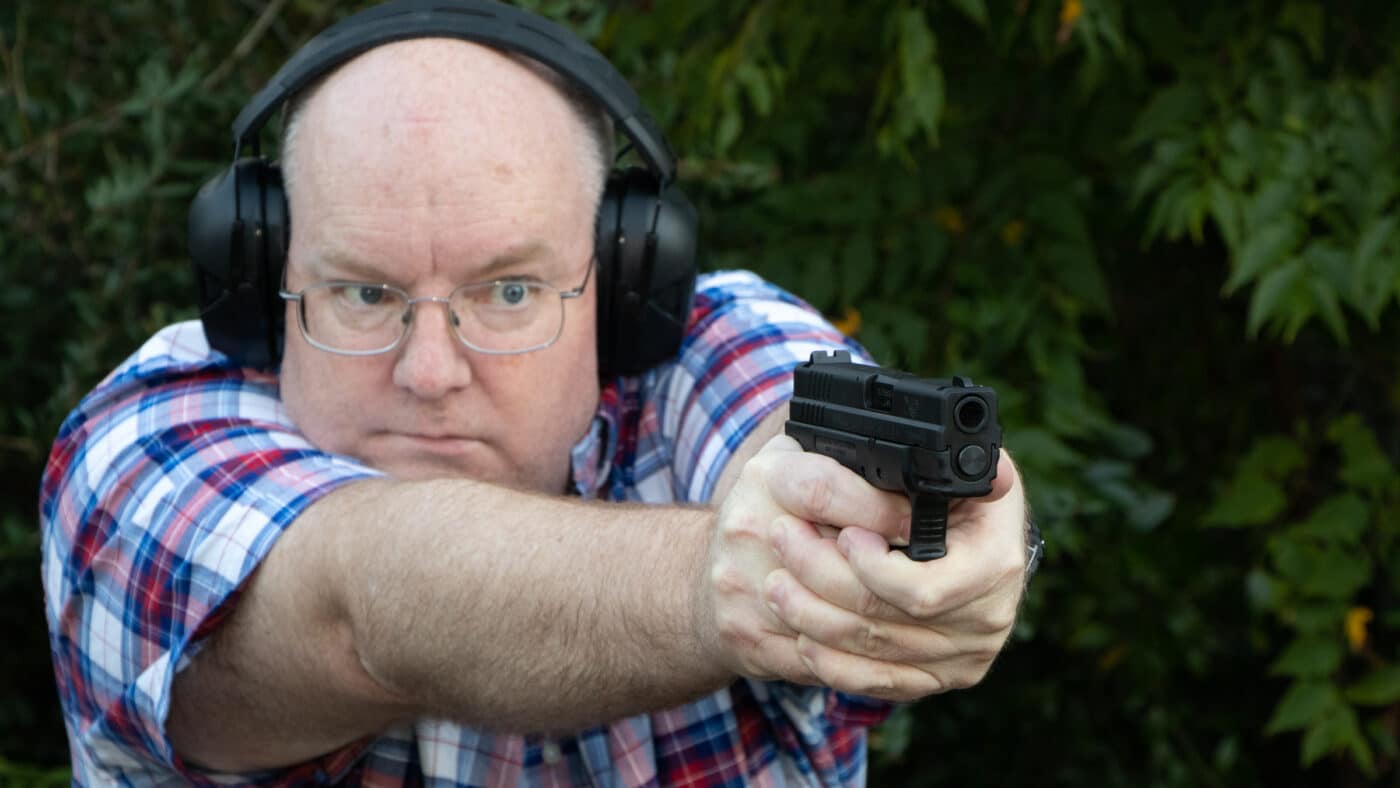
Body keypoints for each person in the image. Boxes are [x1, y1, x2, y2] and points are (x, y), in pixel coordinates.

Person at [40, 1, 1035, 785]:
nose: (429, 370)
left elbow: (790, 424)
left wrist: (920, 525)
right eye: (361, 292)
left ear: (622, 285)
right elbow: (358, 605)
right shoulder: (145, 442)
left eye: (510, 291)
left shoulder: (697, 345)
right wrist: (718, 581)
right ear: (260, 282)